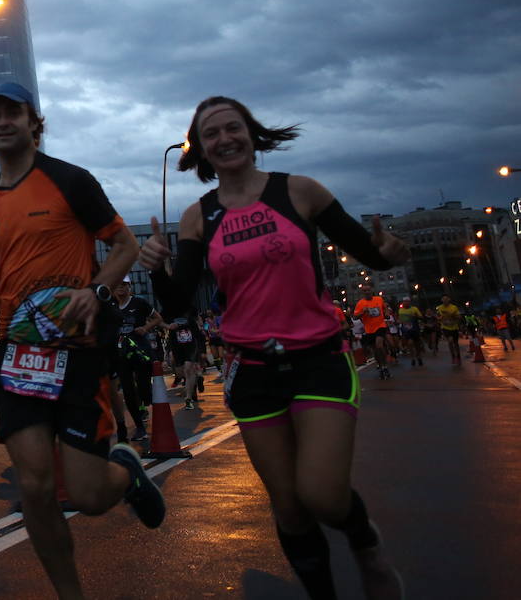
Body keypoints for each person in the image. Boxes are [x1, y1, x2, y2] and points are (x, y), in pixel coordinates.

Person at [140, 96, 411, 600]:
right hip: (253, 371)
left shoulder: (300, 192)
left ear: (252, 133)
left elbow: (372, 255)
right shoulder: (199, 217)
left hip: (319, 359)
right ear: (200, 150)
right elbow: (177, 301)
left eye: (232, 127)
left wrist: (392, 250)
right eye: (211, 134)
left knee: (323, 495)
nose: (224, 139)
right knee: (287, 505)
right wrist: (156, 264)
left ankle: (366, 546)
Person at [0, 82, 165, 597]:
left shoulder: (70, 181)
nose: (2, 122)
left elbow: (125, 246)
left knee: (89, 496)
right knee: (36, 488)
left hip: (77, 356)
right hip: (17, 358)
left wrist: (96, 289)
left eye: (12, 113)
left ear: (33, 122)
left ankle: (123, 474)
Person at [113, 278, 162, 441]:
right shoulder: (111, 306)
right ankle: (139, 427)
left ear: (130, 287)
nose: (120, 287)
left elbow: (157, 318)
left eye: (124, 284)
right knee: (128, 392)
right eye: (118, 284)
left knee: (144, 390)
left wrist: (145, 328)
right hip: (121, 355)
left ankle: (149, 405)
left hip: (141, 352)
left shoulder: (139, 303)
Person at [354, 293, 391, 379]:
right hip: (369, 329)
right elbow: (355, 317)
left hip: (380, 326)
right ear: (362, 292)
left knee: (379, 345)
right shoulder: (360, 303)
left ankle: (385, 366)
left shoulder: (379, 299)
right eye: (364, 291)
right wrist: (363, 312)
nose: (367, 292)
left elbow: (385, 309)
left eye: (368, 290)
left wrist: (387, 313)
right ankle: (381, 367)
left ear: (371, 291)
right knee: (375, 350)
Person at [396, 301, 424, 367]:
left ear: (409, 303)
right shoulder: (400, 310)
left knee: (417, 345)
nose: (405, 303)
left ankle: (419, 357)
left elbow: (421, 317)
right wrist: (399, 321)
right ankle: (413, 358)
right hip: (406, 331)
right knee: (410, 343)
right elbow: (399, 319)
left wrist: (416, 316)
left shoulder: (414, 309)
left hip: (415, 329)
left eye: (407, 302)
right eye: (404, 302)